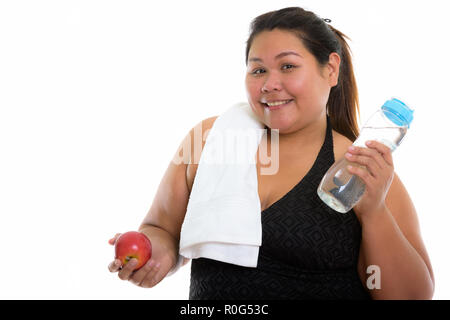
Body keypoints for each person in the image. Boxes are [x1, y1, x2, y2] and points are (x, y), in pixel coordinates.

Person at [108, 7, 434, 299]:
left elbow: (409, 295)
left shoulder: (359, 168)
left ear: (331, 69)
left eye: (288, 66)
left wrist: (374, 211)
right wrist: (154, 254)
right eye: (258, 70)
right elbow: (162, 228)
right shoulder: (210, 140)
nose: (269, 84)